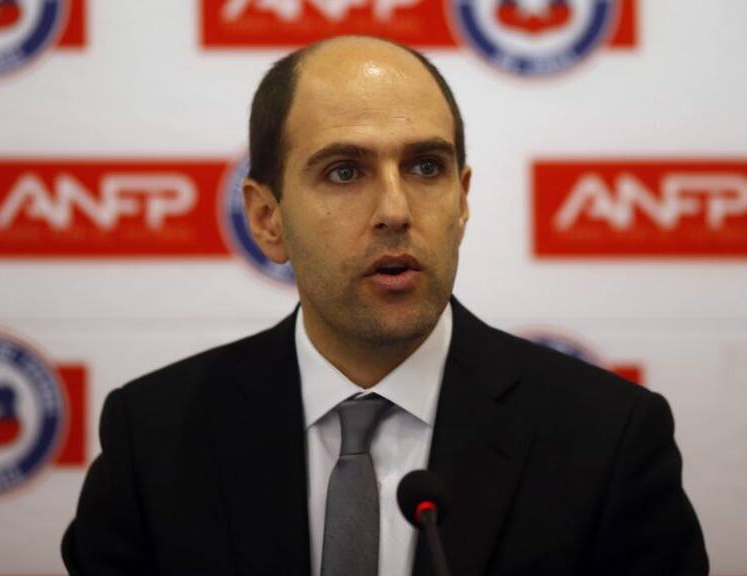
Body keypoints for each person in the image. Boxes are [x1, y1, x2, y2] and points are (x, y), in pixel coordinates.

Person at [62, 36, 708, 575]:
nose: (396, 211)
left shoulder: (609, 439)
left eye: (426, 167)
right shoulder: (153, 440)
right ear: (266, 220)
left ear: (461, 200)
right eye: (345, 171)